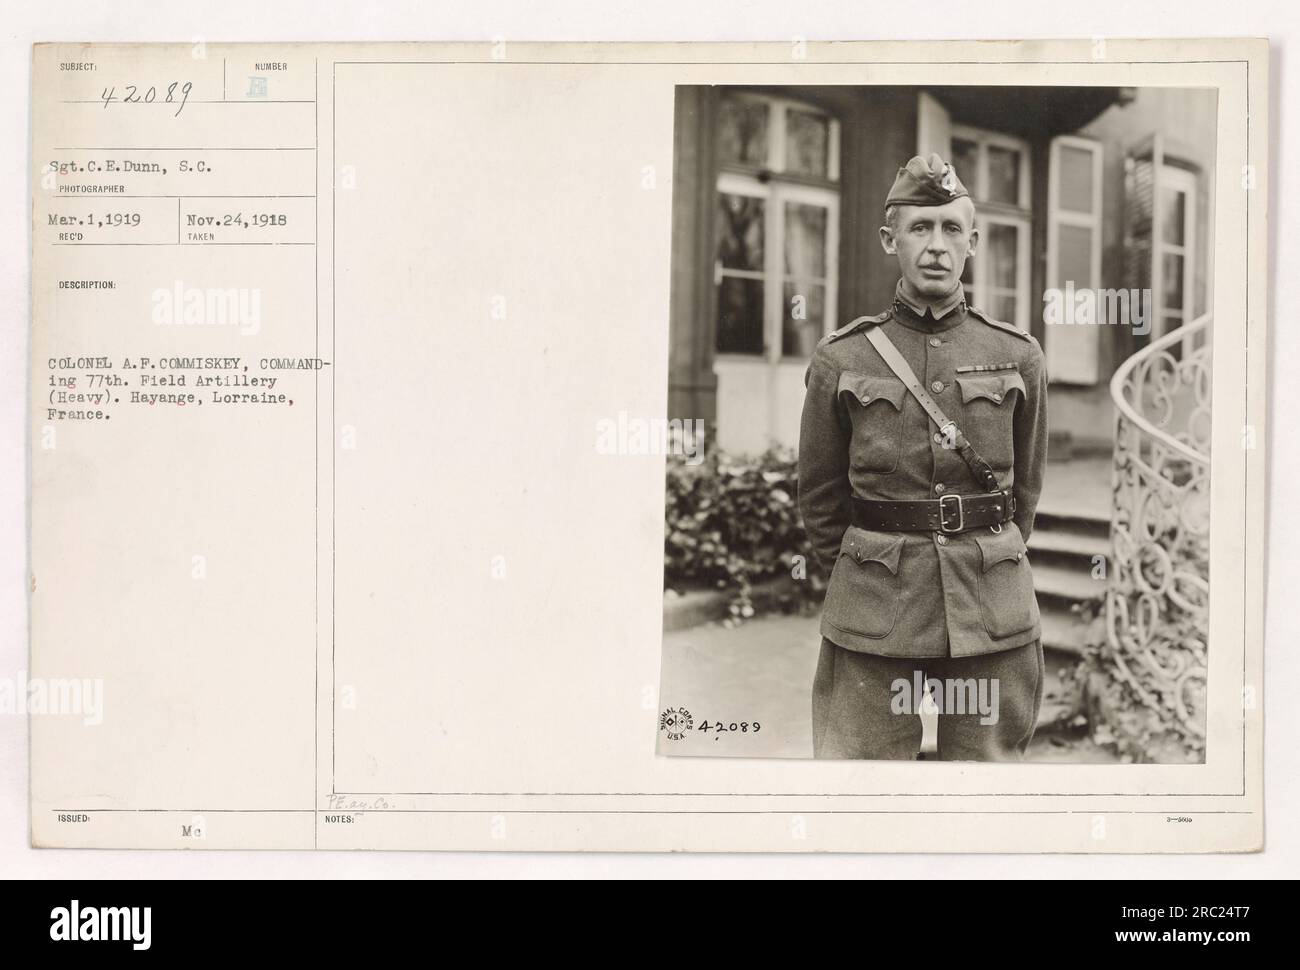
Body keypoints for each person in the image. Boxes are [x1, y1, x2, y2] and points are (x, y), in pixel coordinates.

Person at [797, 153, 1049, 761]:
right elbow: (819, 496)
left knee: (985, 789)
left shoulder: (1019, 355)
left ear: (972, 244)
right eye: (920, 228)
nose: (936, 245)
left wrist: (992, 555)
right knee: (859, 785)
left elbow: (1027, 493)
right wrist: (866, 564)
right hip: (875, 609)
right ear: (891, 240)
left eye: (951, 229)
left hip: (991, 608)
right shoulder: (843, 359)